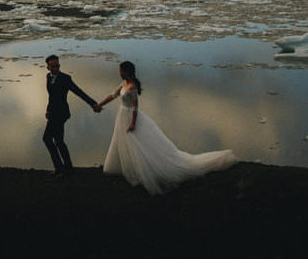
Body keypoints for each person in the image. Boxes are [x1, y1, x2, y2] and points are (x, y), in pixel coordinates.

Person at [97, 61, 236, 194]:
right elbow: (112, 95)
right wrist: (99, 104)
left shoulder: (132, 86)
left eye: (121, 71)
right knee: (124, 141)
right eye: (120, 71)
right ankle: (125, 167)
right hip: (122, 115)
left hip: (129, 116)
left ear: (127, 72)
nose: (120, 73)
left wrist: (133, 123)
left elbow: (135, 108)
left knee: (136, 144)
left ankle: (140, 171)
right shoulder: (123, 84)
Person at [43, 54, 100, 177]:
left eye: (57, 65)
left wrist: (93, 103)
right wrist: (48, 110)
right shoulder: (48, 77)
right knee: (57, 140)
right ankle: (64, 168)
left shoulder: (65, 78)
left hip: (61, 113)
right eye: (52, 66)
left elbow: (78, 92)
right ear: (48, 67)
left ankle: (63, 168)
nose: (55, 68)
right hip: (53, 113)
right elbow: (51, 97)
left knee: (49, 139)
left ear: (59, 65)